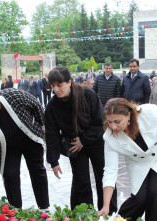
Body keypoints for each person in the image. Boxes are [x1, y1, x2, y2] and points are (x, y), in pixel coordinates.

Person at [98, 98, 157, 221]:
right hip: (137, 162)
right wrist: (106, 205)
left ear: (129, 115)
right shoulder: (109, 137)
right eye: (109, 122)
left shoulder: (150, 112)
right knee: (139, 198)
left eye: (117, 121)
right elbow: (110, 170)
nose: (113, 127)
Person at [45, 66, 117, 212]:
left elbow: (100, 123)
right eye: (53, 86)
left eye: (60, 85)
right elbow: (51, 133)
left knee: (103, 176)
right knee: (80, 179)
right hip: (74, 144)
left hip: (95, 139)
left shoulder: (87, 94)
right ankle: (83, 215)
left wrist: (83, 140)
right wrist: (53, 160)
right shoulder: (52, 105)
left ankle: (108, 211)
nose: (56, 90)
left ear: (69, 82)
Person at [0, 88, 49, 209]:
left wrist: (43, 126)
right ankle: (15, 211)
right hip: (8, 148)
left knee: (37, 171)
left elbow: (36, 104)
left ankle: (44, 207)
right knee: (9, 175)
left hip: (30, 139)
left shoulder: (13, 96)